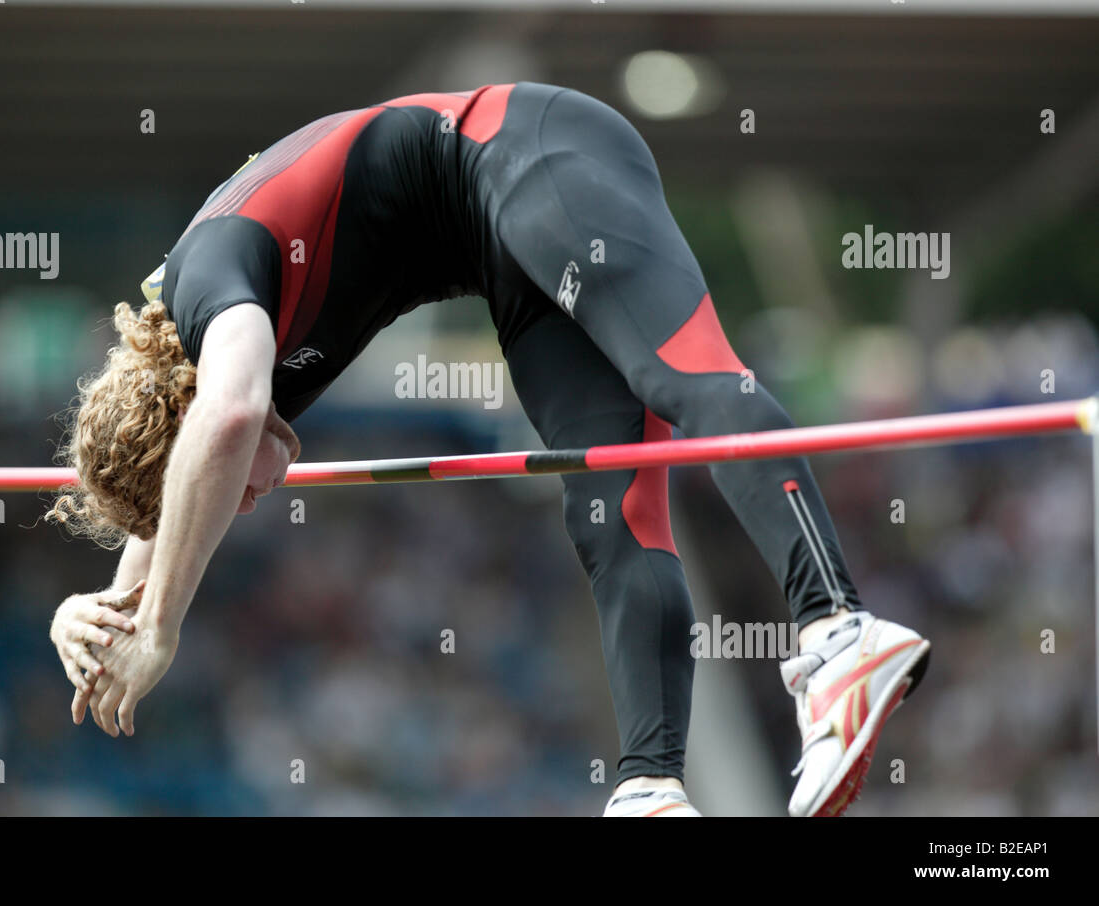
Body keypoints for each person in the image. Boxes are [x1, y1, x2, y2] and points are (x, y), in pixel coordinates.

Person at [45, 83, 930, 817]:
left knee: (685, 377)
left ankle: (839, 628)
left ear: (181, 420)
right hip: (502, 246)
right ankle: (651, 784)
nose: (241, 506)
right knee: (612, 496)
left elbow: (226, 424)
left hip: (531, 151)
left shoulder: (209, 301)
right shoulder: (215, 360)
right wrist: (102, 609)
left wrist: (158, 627)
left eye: (219, 493)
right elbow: (192, 470)